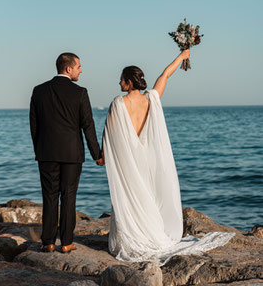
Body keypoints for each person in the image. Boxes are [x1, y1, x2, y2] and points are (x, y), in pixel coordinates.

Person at [97, 50, 234, 265]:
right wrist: (182, 56)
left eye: (122, 79)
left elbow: (109, 132)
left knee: (131, 195)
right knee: (148, 195)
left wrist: (102, 155)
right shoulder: (151, 99)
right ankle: (150, 233)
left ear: (129, 81)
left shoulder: (118, 103)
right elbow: (165, 75)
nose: (119, 82)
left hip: (129, 160)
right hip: (147, 159)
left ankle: (135, 236)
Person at [30, 52, 101, 253]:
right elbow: (88, 126)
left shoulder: (39, 91)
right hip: (72, 153)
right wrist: (97, 154)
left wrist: (40, 149)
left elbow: (34, 125)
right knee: (69, 196)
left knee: (49, 196)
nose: (81, 70)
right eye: (78, 66)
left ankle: (48, 242)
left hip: (46, 152)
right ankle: (67, 242)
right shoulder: (80, 92)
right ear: (68, 68)